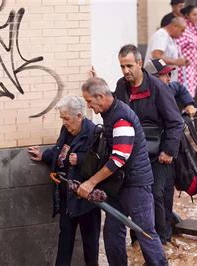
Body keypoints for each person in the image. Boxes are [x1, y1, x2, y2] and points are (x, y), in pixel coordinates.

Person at [78, 77, 167, 265]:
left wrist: (91, 182)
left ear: (101, 97)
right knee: (112, 233)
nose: (89, 107)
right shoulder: (110, 113)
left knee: (145, 233)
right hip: (118, 184)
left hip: (135, 185)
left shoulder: (121, 119)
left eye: (89, 101)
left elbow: (118, 159)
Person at [114, 45, 184, 246]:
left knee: (155, 195)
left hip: (158, 153)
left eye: (129, 66)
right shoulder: (121, 86)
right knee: (135, 196)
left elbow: (175, 122)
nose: (126, 71)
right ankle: (138, 241)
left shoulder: (157, 87)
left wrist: (168, 151)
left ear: (139, 64)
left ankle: (161, 241)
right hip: (132, 153)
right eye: (122, 67)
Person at [28, 96, 101, 266]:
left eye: (66, 118)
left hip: (86, 199)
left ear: (79, 116)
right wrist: (44, 155)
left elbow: (102, 162)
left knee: (90, 242)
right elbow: (60, 151)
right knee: (65, 238)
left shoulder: (94, 132)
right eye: (62, 118)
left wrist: (81, 159)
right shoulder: (66, 131)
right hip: (66, 195)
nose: (64, 123)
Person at [145, 17, 189, 82]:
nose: (182, 34)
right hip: (158, 81)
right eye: (182, 30)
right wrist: (176, 62)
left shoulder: (170, 37)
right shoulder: (161, 35)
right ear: (175, 26)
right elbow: (157, 57)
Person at [176, 5, 197, 97]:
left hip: (193, 65)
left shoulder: (195, 28)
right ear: (187, 15)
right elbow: (178, 45)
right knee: (185, 91)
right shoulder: (184, 28)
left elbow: (194, 48)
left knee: (191, 91)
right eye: (194, 14)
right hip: (184, 66)